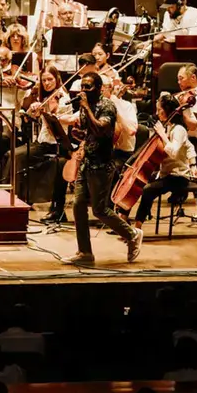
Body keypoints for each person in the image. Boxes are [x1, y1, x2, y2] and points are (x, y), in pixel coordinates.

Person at [68, 73, 142, 265]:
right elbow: (89, 130)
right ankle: (85, 252)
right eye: (82, 86)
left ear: (99, 88)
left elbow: (101, 129)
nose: (84, 91)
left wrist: (85, 109)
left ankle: (132, 233)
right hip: (87, 162)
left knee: (100, 210)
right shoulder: (86, 107)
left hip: (101, 165)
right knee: (77, 205)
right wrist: (78, 133)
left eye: (88, 87)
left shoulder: (107, 106)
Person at [132, 93, 197, 229]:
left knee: (148, 190)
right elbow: (189, 145)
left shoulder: (178, 129)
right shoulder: (168, 126)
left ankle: (137, 227)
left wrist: (162, 135)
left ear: (167, 110)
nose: (157, 113)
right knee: (136, 181)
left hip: (178, 176)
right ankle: (126, 219)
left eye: (159, 110)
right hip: (166, 173)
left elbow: (173, 153)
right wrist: (193, 163)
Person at [25, 63, 74, 225]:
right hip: (43, 142)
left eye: (50, 79)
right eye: (44, 80)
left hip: (57, 143)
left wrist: (53, 111)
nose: (47, 83)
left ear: (57, 79)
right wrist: (33, 109)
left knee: (20, 158)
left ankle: (55, 209)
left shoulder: (63, 98)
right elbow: (28, 117)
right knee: (14, 155)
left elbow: (61, 127)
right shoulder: (45, 97)